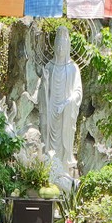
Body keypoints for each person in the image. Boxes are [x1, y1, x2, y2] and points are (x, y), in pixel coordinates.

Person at [40, 25, 83, 178]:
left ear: (68, 47)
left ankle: (64, 171)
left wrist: (67, 103)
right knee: (48, 141)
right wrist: (45, 82)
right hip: (51, 109)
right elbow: (43, 92)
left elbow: (78, 92)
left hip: (66, 112)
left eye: (63, 46)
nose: (60, 49)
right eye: (57, 46)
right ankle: (48, 171)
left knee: (64, 143)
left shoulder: (73, 68)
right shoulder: (49, 66)